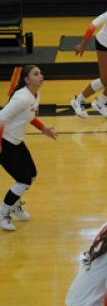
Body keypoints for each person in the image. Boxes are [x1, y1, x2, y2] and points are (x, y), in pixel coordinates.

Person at [0, 65, 57, 231]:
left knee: (31, 175)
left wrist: (43, 128)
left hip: (16, 141)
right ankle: (3, 213)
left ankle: (15, 206)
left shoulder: (35, 95)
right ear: (26, 80)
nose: (41, 76)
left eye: (40, 73)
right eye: (36, 74)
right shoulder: (21, 98)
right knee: (23, 179)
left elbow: (30, 115)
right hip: (5, 141)